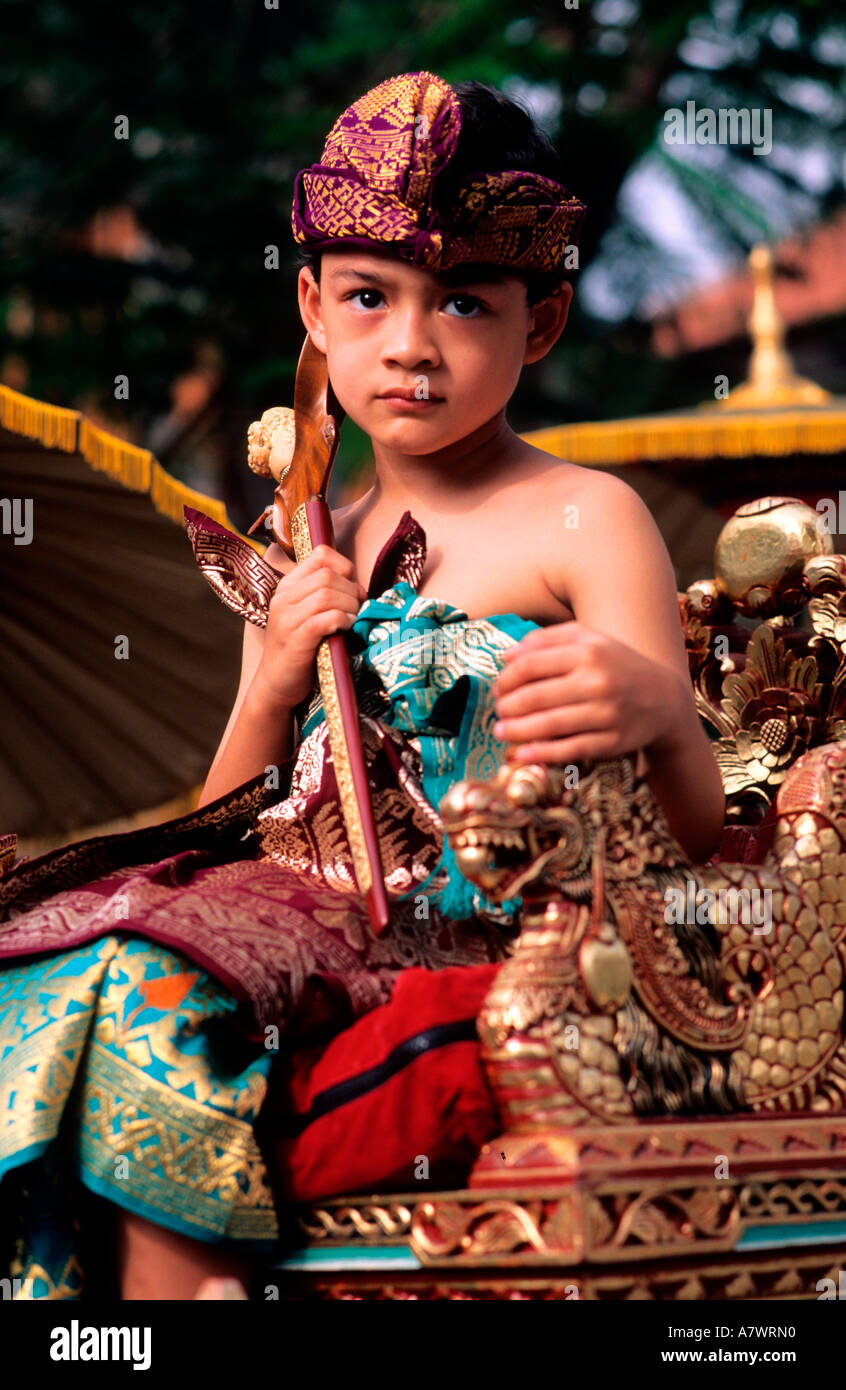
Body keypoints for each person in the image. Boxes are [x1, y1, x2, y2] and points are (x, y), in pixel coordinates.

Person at [0, 71, 725, 1301]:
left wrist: (656, 714)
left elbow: (698, 840)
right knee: (42, 945)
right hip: (290, 913)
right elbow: (234, 815)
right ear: (314, 309)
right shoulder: (300, 536)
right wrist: (275, 671)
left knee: (143, 969)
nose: (411, 344)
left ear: (539, 324)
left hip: (477, 928)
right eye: (370, 297)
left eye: (464, 303)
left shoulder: (584, 519)